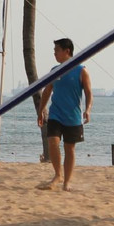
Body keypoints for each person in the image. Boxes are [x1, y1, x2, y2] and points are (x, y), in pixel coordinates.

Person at [36, 38, 92, 191]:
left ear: (67, 51)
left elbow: (88, 93)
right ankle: (57, 175)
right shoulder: (54, 70)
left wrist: (88, 110)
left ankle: (66, 182)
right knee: (52, 142)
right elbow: (47, 91)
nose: (54, 53)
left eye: (57, 50)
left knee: (69, 148)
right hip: (56, 114)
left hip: (73, 117)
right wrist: (41, 111)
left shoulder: (81, 70)